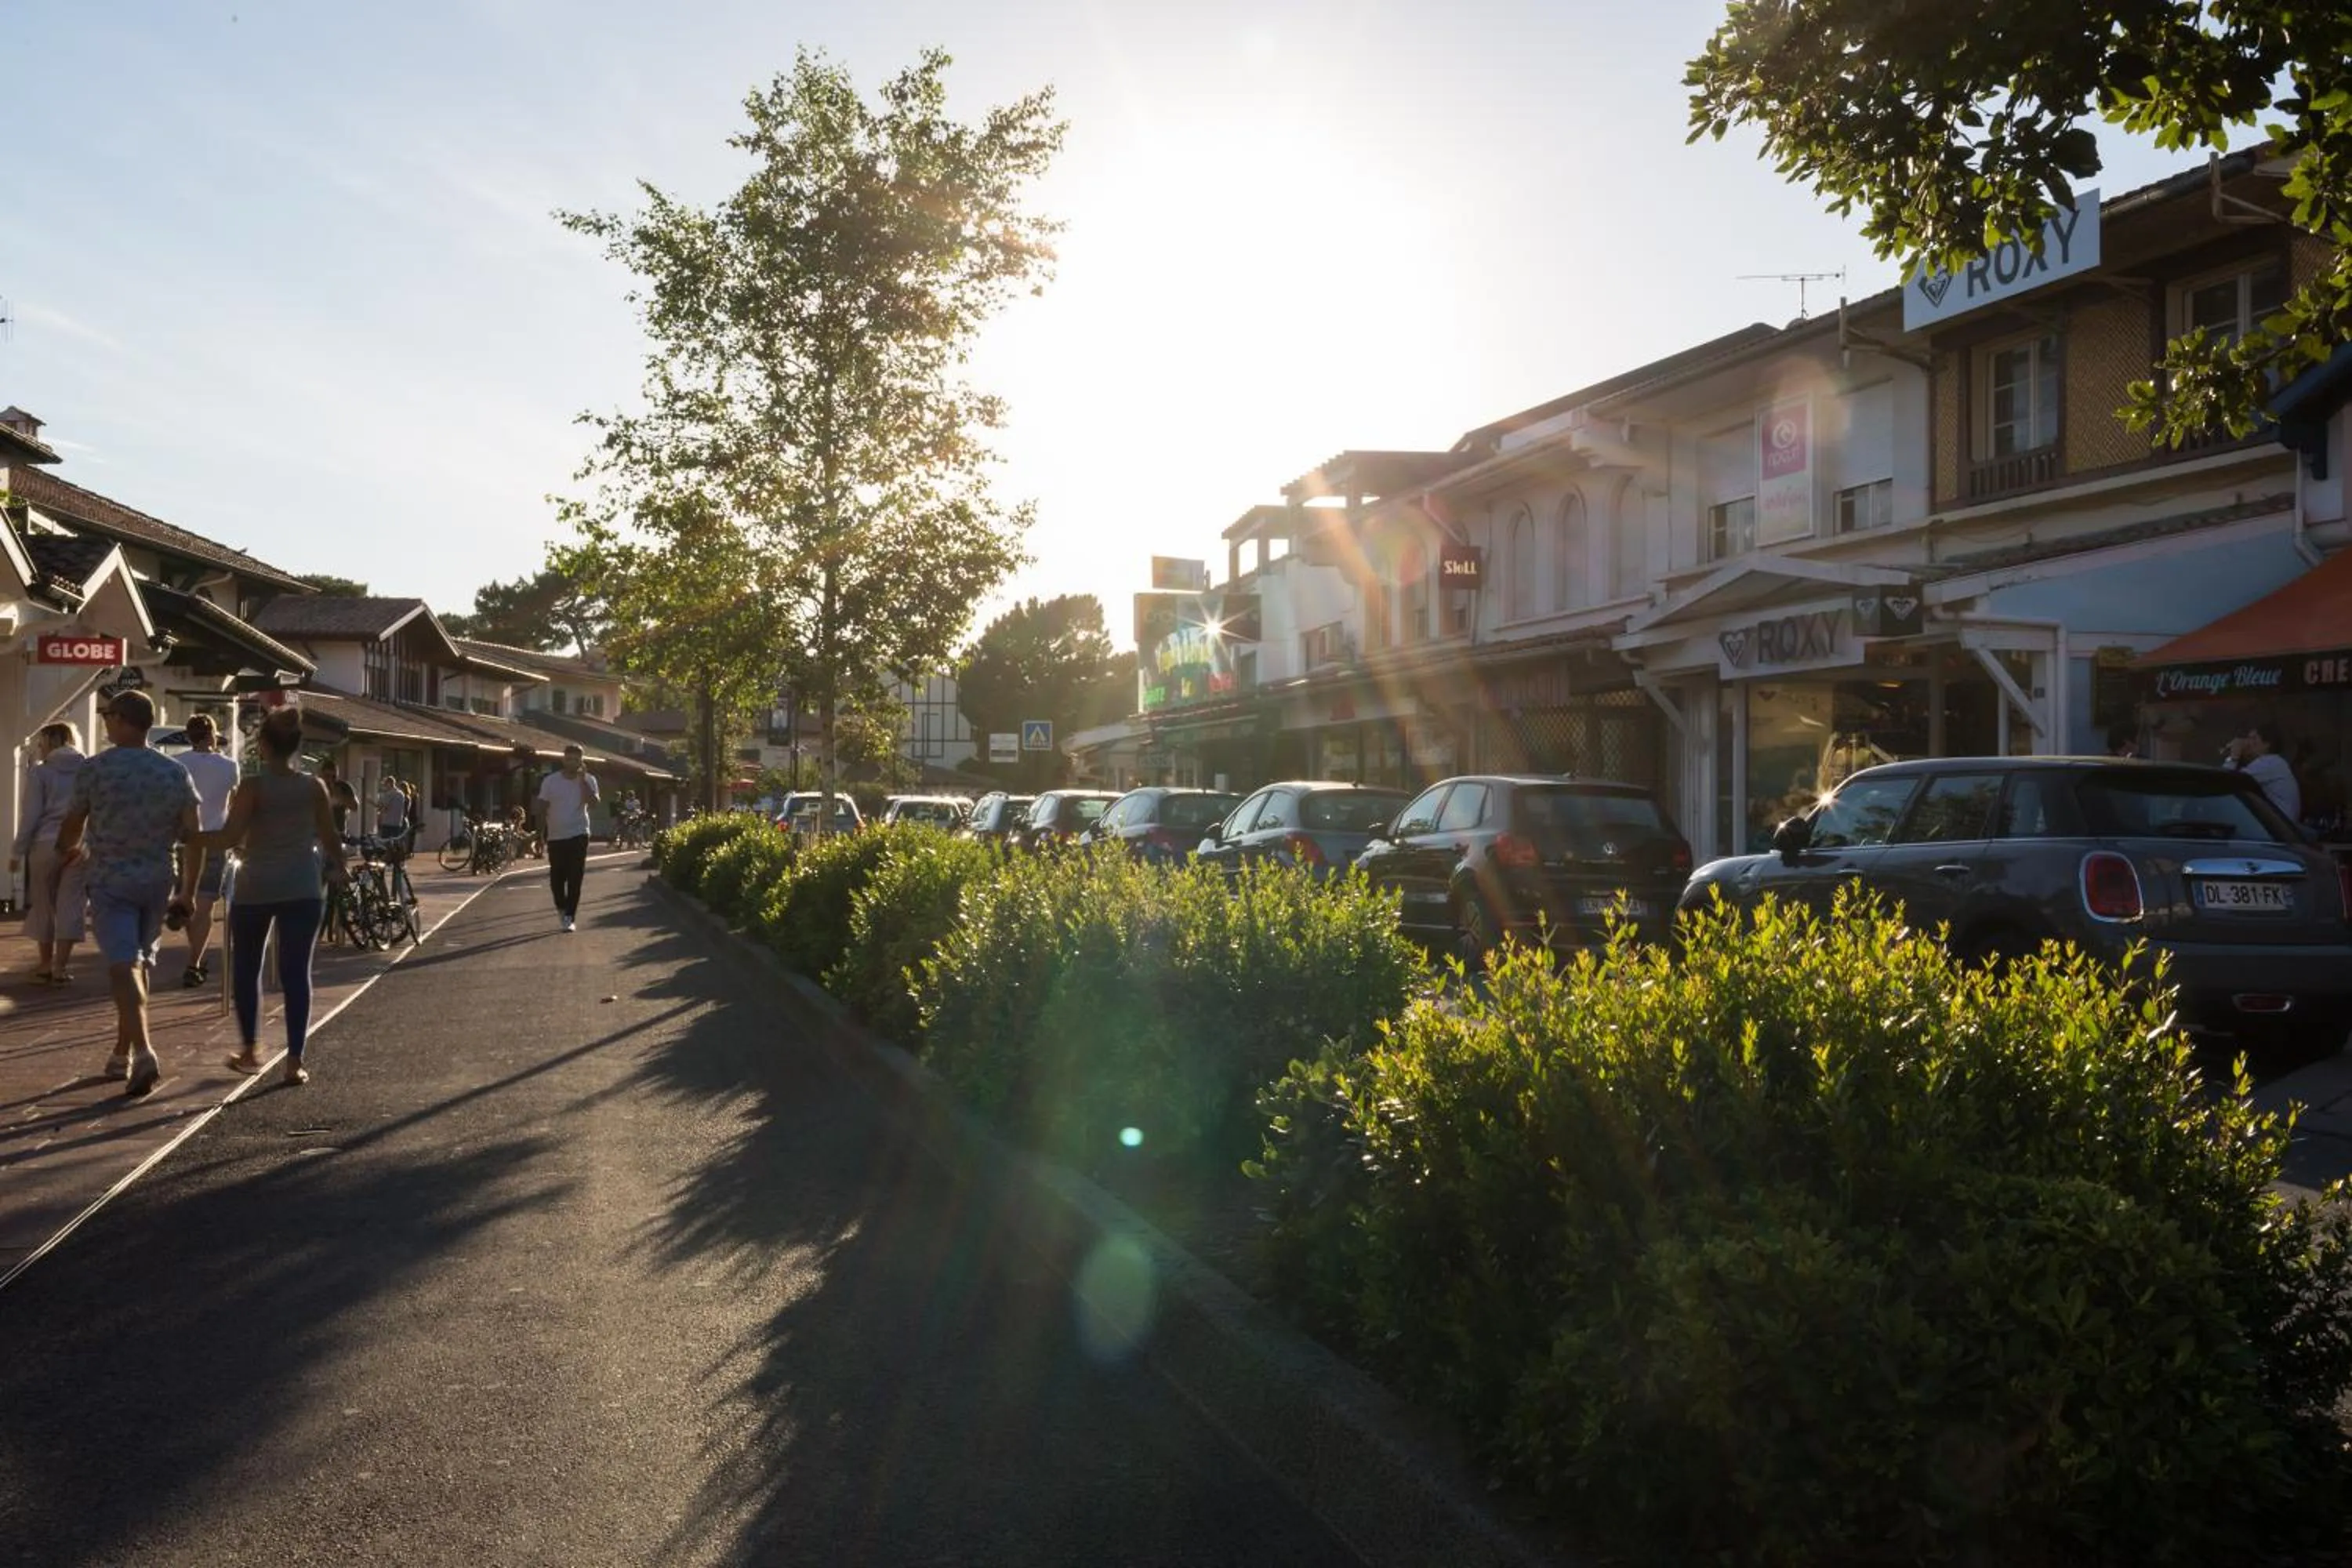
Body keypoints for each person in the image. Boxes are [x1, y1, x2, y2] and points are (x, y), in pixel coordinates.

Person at [182, 706, 347, 1087]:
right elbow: (329, 836)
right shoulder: (314, 787)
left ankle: (251, 1049)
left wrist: (191, 837)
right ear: (295, 746)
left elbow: (229, 837)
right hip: (302, 886)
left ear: (264, 745)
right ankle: (294, 1061)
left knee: (247, 967)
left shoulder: (253, 787)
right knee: (296, 973)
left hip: (255, 886)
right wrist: (340, 866)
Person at [54, 691, 199, 1098]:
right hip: (157, 879)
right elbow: (194, 836)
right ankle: (122, 1053)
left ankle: (144, 1051)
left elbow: (73, 822)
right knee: (138, 963)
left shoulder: (96, 769)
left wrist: (66, 849)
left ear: (122, 720)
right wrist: (188, 891)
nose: (104, 722)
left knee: (123, 965)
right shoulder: (174, 772)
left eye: (107, 715)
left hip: (110, 880)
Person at [10, 721, 88, 985]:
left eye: (41, 744)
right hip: (78, 844)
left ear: (50, 743)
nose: (39, 749)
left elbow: (30, 816)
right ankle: (61, 967)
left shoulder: (41, 773)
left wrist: (18, 851)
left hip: (45, 844)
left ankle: (45, 964)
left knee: (43, 904)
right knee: (71, 905)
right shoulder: (88, 770)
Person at [176, 712, 241, 989]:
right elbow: (234, 803)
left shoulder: (178, 763)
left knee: (188, 901)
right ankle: (194, 962)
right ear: (213, 734)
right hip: (215, 839)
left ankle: (197, 957)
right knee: (205, 905)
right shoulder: (230, 766)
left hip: (185, 840)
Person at [535, 744, 600, 933]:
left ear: (582, 761)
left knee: (575, 876)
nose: (572, 763)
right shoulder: (550, 781)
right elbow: (541, 809)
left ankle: (570, 917)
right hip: (556, 836)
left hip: (579, 833)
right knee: (557, 877)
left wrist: (583, 781)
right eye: (569, 759)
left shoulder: (589, 780)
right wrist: (539, 835)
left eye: (576, 759)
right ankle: (562, 908)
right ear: (563, 760)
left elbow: (593, 803)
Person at [2224, 720, 2303, 821]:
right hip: (2281, 823)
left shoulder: (2269, 763)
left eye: (2254, 739)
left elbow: (2227, 781)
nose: (2248, 743)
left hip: (2279, 825)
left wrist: (2234, 756)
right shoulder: (2276, 762)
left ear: (2267, 744)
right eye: (2248, 738)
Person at [318, 757, 358, 840]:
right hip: (317, 833)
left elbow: (355, 807)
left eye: (334, 777)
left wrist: (340, 796)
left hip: (338, 832)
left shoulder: (343, 787)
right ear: (321, 774)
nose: (330, 779)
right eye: (327, 776)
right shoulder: (315, 786)